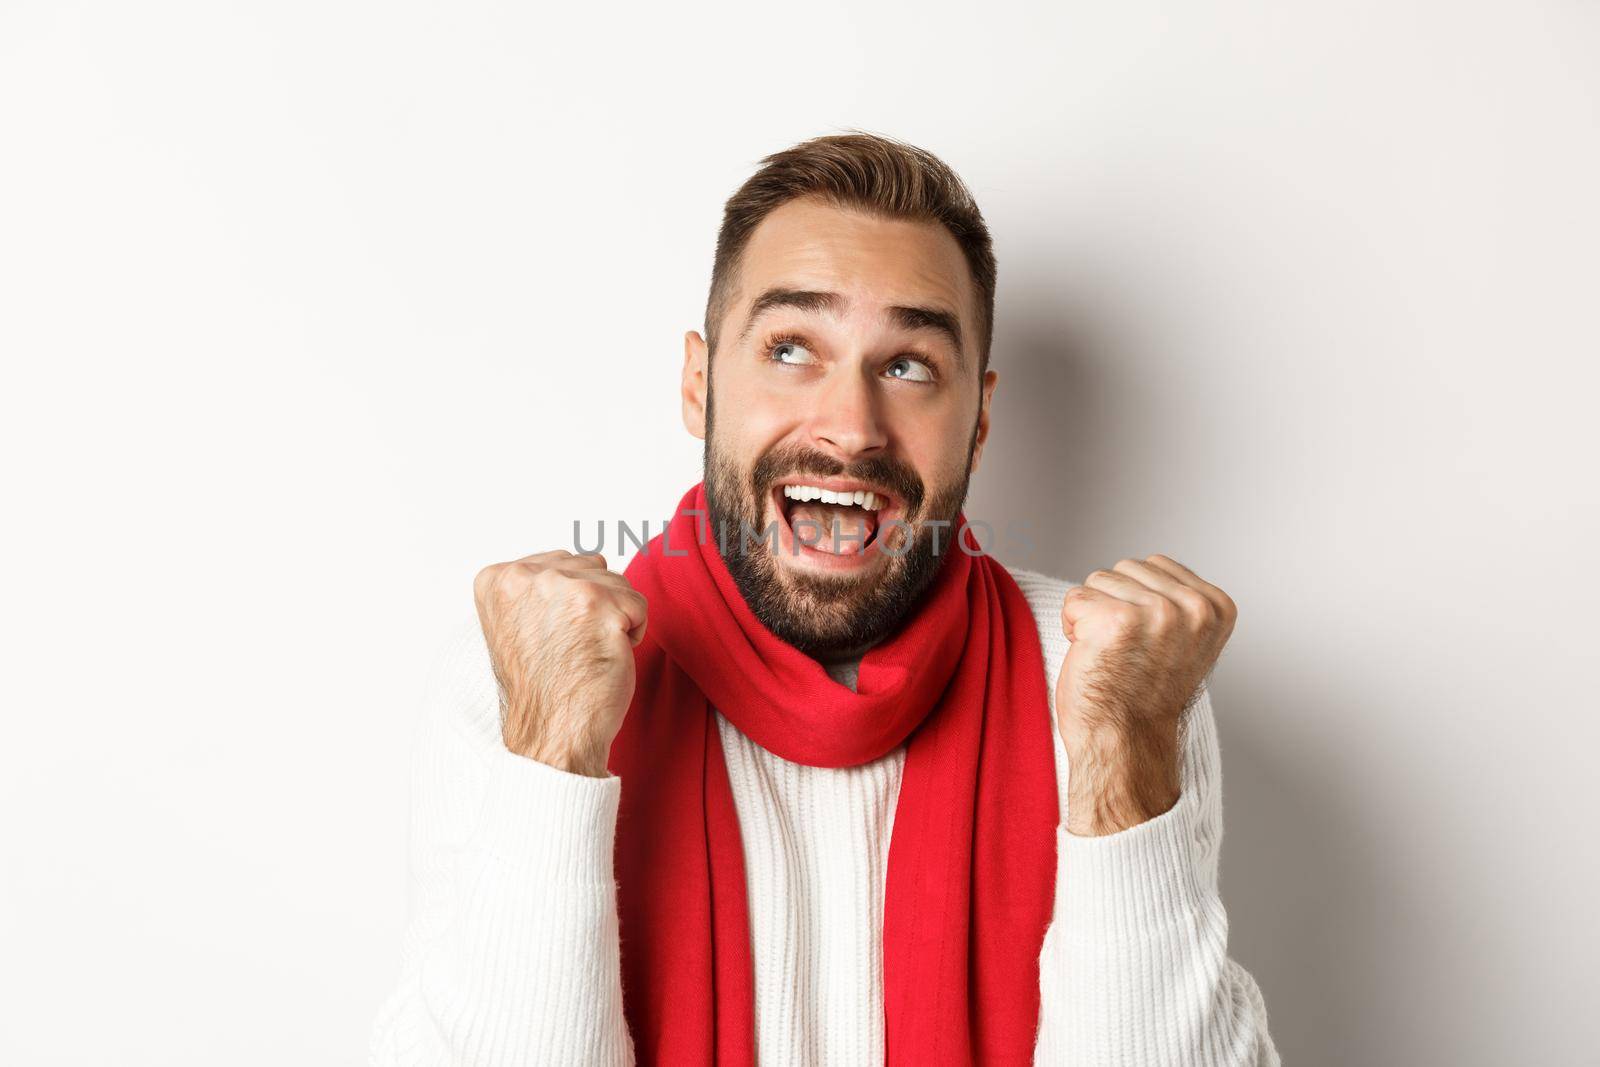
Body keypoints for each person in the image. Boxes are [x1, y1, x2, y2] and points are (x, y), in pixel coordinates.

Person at [369, 132, 1280, 1066]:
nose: (850, 428)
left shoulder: (1110, 681)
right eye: (793, 347)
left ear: (980, 420)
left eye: (909, 365)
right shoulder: (526, 672)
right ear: (699, 382)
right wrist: (555, 755)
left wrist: (1126, 759)